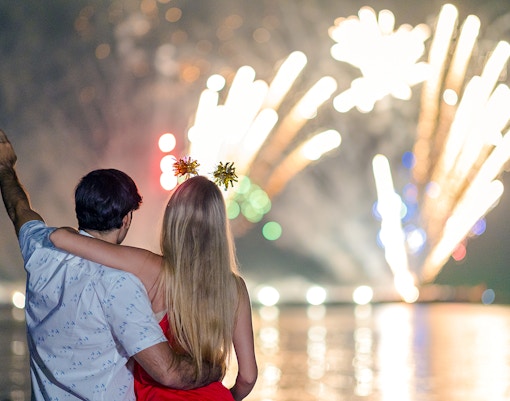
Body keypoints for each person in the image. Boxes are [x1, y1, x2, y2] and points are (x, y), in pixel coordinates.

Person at [0, 129, 220, 400]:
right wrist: (213, 368)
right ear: (126, 219)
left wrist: (5, 166)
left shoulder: (41, 251)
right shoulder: (120, 283)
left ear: (80, 209)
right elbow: (168, 372)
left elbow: (17, 208)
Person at [50, 172, 258, 400]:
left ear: (172, 219)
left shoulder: (153, 268)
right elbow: (248, 376)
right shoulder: (234, 288)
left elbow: (59, 238)